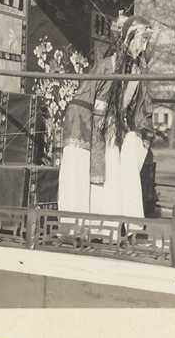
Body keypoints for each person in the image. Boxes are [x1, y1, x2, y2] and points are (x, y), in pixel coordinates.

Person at [58, 14, 154, 218]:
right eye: (142, 40)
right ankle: (87, 226)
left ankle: (111, 226)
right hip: (97, 127)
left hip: (119, 130)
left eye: (147, 41)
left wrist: (136, 131)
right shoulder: (106, 66)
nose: (144, 47)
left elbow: (140, 107)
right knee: (95, 178)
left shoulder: (140, 71)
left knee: (115, 179)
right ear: (129, 37)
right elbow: (84, 98)